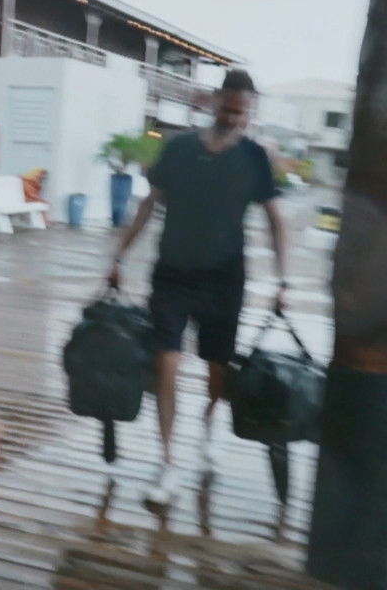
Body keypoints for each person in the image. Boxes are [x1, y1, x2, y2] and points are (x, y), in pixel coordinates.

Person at [107, 68, 289, 509]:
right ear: (214, 100)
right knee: (165, 362)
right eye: (228, 109)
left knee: (217, 372)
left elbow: (275, 219)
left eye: (241, 113)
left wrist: (283, 280)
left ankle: (208, 430)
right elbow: (149, 203)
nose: (233, 118)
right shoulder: (179, 147)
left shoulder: (255, 158)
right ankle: (168, 462)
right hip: (172, 274)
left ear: (250, 112)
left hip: (225, 279)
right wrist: (119, 256)